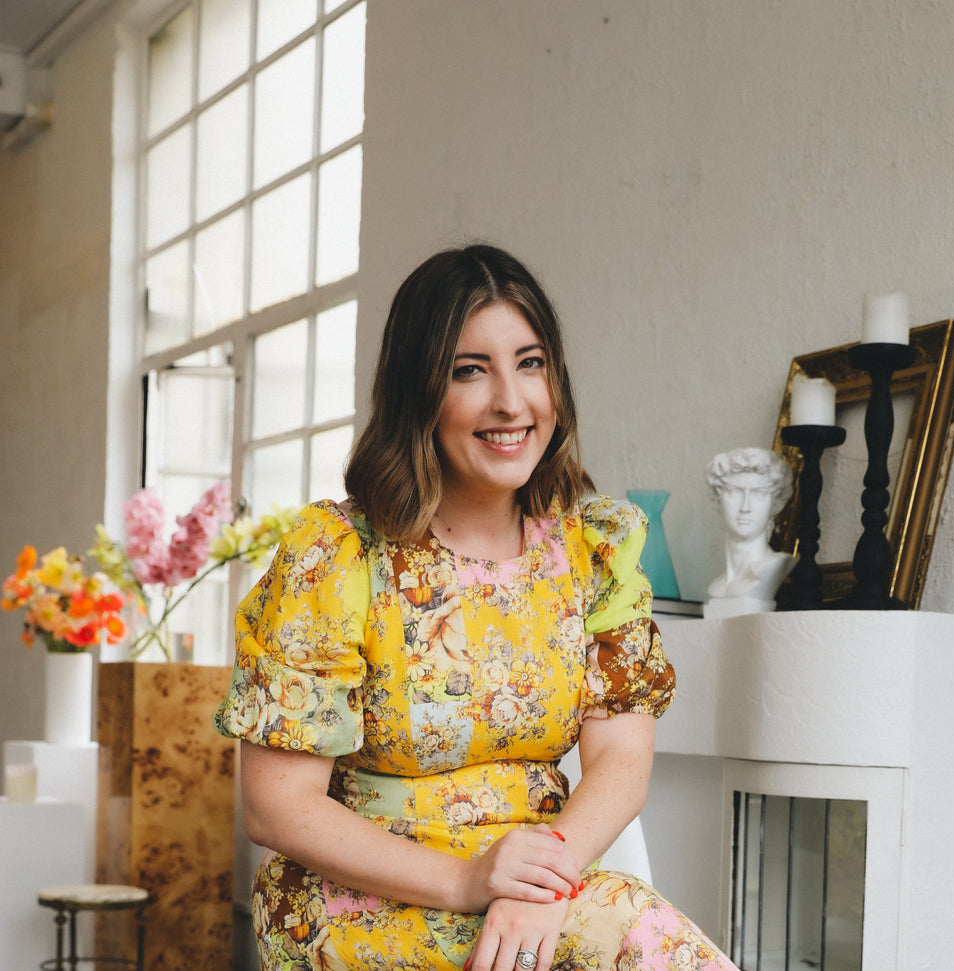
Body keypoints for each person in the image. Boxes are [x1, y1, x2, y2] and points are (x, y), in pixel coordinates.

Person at [214, 243, 740, 971]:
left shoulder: (593, 552)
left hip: (534, 881)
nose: (511, 401)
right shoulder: (337, 556)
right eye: (471, 370)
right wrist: (467, 878)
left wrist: (540, 879)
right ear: (418, 390)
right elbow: (276, 807)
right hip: (361, 898)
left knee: (643, 934)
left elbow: (621, 756)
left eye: (530, 363)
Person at [702, 447, 794, 619]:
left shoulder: (774, 567)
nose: (745, 507)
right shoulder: (718, 586)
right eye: (734, 492)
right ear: (718, 500)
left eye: (758, 494)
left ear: (775, 503)